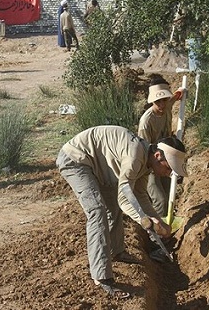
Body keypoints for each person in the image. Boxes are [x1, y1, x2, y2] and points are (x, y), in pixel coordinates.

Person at [56, 125, 187, 299]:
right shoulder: (135, 157)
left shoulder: (146, 164)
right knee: (97, 211)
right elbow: (124, 198)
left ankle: (117, 251)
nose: (169, 173)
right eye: (169, 167)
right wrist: (145, 221)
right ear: (158, 156)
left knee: (113, 208)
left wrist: (158, 220)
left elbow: (139, 194)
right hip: (76, 160)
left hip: (100, 168)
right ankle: (102, 277)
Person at [137, 76, 185, 217]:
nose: (162, 105)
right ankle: (156, 235)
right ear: (152, 101)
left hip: (166, 160)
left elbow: (174, 98)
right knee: (161, 201)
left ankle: (167, 226)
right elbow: (145, 152)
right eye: (158, 102)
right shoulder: (146, 122)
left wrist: (180, 92)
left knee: (170, 192)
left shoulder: (166, 105)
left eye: (164, 100)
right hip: (152, 165)